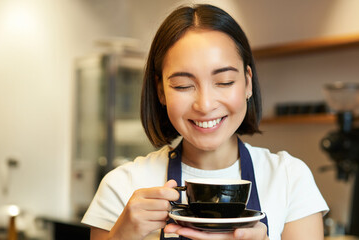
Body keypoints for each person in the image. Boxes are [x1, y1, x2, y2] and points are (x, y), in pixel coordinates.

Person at [82, 4, 329, 240]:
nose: (205, 105)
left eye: (224, 82)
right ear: (160, 92)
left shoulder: (289, 178)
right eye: (183, 86)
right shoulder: (122, 185)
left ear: (248, 82)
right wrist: (122, 236)